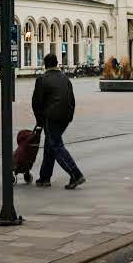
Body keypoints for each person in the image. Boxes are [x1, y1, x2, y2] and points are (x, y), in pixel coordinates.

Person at [32, 52, 85, 189]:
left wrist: (40, 121)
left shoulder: (42, 79)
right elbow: (72, 99)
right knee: (50, 145)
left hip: (51, 116)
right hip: (65, 117)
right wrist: (69, 116)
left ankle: (75, 174)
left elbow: (37, 102)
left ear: (45, 64)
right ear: (56, 64)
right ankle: (44, 177)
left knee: (56, 146)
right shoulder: (65, 78)